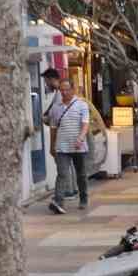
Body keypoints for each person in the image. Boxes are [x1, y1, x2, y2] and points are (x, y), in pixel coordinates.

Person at [48, 81, 90, 214]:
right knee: (62, 174)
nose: (64, 93)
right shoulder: (55, 108)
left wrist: (81, 138)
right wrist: (52, 146)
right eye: (61, 90)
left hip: (79, 146)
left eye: (66, 90)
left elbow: (85, 124)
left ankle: (83, 198)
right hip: (61, 146)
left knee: (81, 175)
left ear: (73, 89)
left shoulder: (82, 105)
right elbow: (53, 129)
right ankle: (58, 201)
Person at [41, 68, 76, 202]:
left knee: (63, 165)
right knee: (68, 163)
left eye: (46, 80)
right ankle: (72, 190)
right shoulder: (60, 93)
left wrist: (46, 119)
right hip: (67, 134)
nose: (45, 84)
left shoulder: (60, 94)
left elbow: (56, 116)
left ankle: (67, 191)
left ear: (51, 79)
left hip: (62, 135)